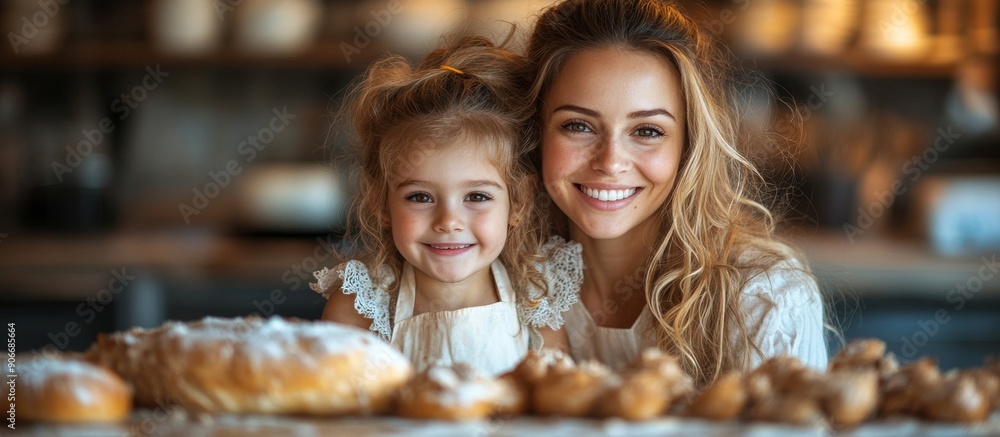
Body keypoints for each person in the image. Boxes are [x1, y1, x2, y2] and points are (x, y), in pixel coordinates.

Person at [525, 0, 829, 385]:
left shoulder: (766, 297)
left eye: (648, 131)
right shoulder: (510, 278)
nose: (611, 162)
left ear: (689, 144)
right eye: (578, 126)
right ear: (534, 132)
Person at [311, 35, 581, 376]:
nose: (449, 221)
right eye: (420, 197)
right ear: (379, 200)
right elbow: (332, 411)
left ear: (519, 202)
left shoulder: (536, 297)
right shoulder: (362, 305)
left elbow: (554, 407)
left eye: (477, 197)